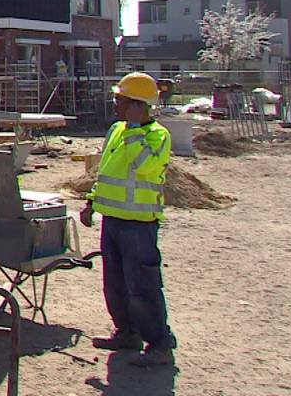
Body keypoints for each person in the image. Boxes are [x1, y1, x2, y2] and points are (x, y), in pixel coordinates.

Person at [80, 72, 177, 367]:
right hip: (113, 221)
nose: (115, 104)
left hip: (139, 225)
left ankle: (159, 344)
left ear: (138, 105)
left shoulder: (157, 136)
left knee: (143, 286)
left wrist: (135, 129)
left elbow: (144, 166)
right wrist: (92, 201)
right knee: (116, 284)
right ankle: (127, 332)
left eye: (120, 100)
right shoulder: (117, 130)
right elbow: (108, 171)